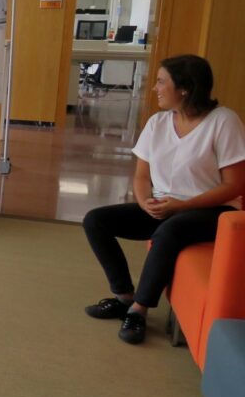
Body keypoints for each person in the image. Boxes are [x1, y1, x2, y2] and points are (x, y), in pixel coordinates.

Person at [82, 55, 245, 344]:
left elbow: (234, 185)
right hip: (165, 206)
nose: (155, 88)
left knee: (170, 230)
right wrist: (145, 202)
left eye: (161, 82)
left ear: (184, 88)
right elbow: (141, 176)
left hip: (212, 210)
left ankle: (139, 310)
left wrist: (182, 206)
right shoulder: (157, 123)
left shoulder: (223, 121)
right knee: (96, 220)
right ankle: (123, 296)